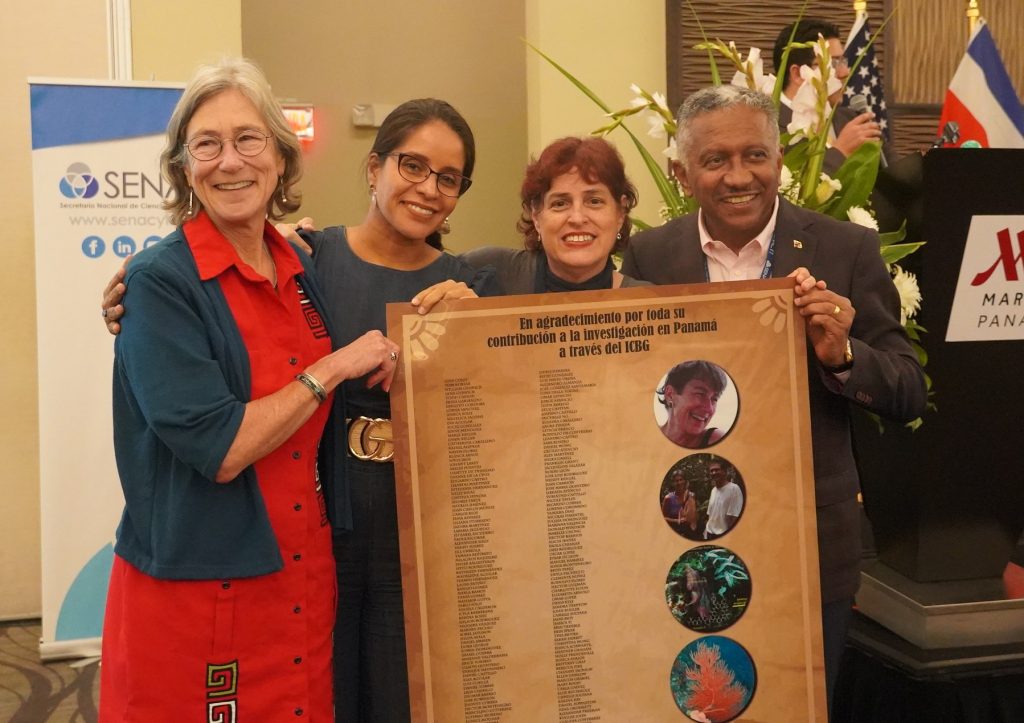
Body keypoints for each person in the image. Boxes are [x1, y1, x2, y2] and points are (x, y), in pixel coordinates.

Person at [102, 98, 491, 722]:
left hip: (412, 531)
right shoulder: (307, 256)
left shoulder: (470, 281)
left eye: (448, 178)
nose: (427, 188)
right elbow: (204, 280)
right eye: (411, 166)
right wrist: (141, 284)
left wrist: (470, 322)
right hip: (313, 525)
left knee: (398, 696)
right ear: (373, 168)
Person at [620, 84, 927, 714]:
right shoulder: (652, 254)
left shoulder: (845, 250)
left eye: (754, 156)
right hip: (688, 542)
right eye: (715, 160)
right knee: (703, 700)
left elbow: (907, 389)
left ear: (779, 160)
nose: (739, 177)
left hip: (809, 544)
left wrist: (841, 354)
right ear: (682, 172)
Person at [455, 136, 647, 293]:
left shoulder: (649, 306)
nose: (577, 218)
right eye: (560, 203)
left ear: (620, 214)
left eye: (594, 201)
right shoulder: (485, 273)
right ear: (536, 216)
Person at [772, 18, 884, 175]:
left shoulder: (851, 118)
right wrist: (840, 152)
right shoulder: (769, 128)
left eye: (842, 61)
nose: (845, 72)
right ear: (798, 74)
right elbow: (789, 191)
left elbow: (890, 174)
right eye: (833, 63)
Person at [656, 360, 729, 448]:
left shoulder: (716, 439)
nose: (709, 409)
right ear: (670, 395)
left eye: (714, 399)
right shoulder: (646, 435)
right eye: (700, 394)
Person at [703, 459, 743, 539]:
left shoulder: (734, 489)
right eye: (711, 471)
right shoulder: (713, 490)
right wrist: (705, 532)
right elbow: (710, 515)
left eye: (717, 470)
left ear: (724, 471)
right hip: (709, 533)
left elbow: (734, 517)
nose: (714, 473)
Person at [662, 469, 698, 535]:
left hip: (689, 532)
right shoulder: (668, 498)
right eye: (676, 481)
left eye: (681, 480)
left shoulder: (691, 495)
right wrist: (676, 521)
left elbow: (694, 516)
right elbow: (663, 518)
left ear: (685, 481)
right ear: (673, 483)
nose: (679, 483)